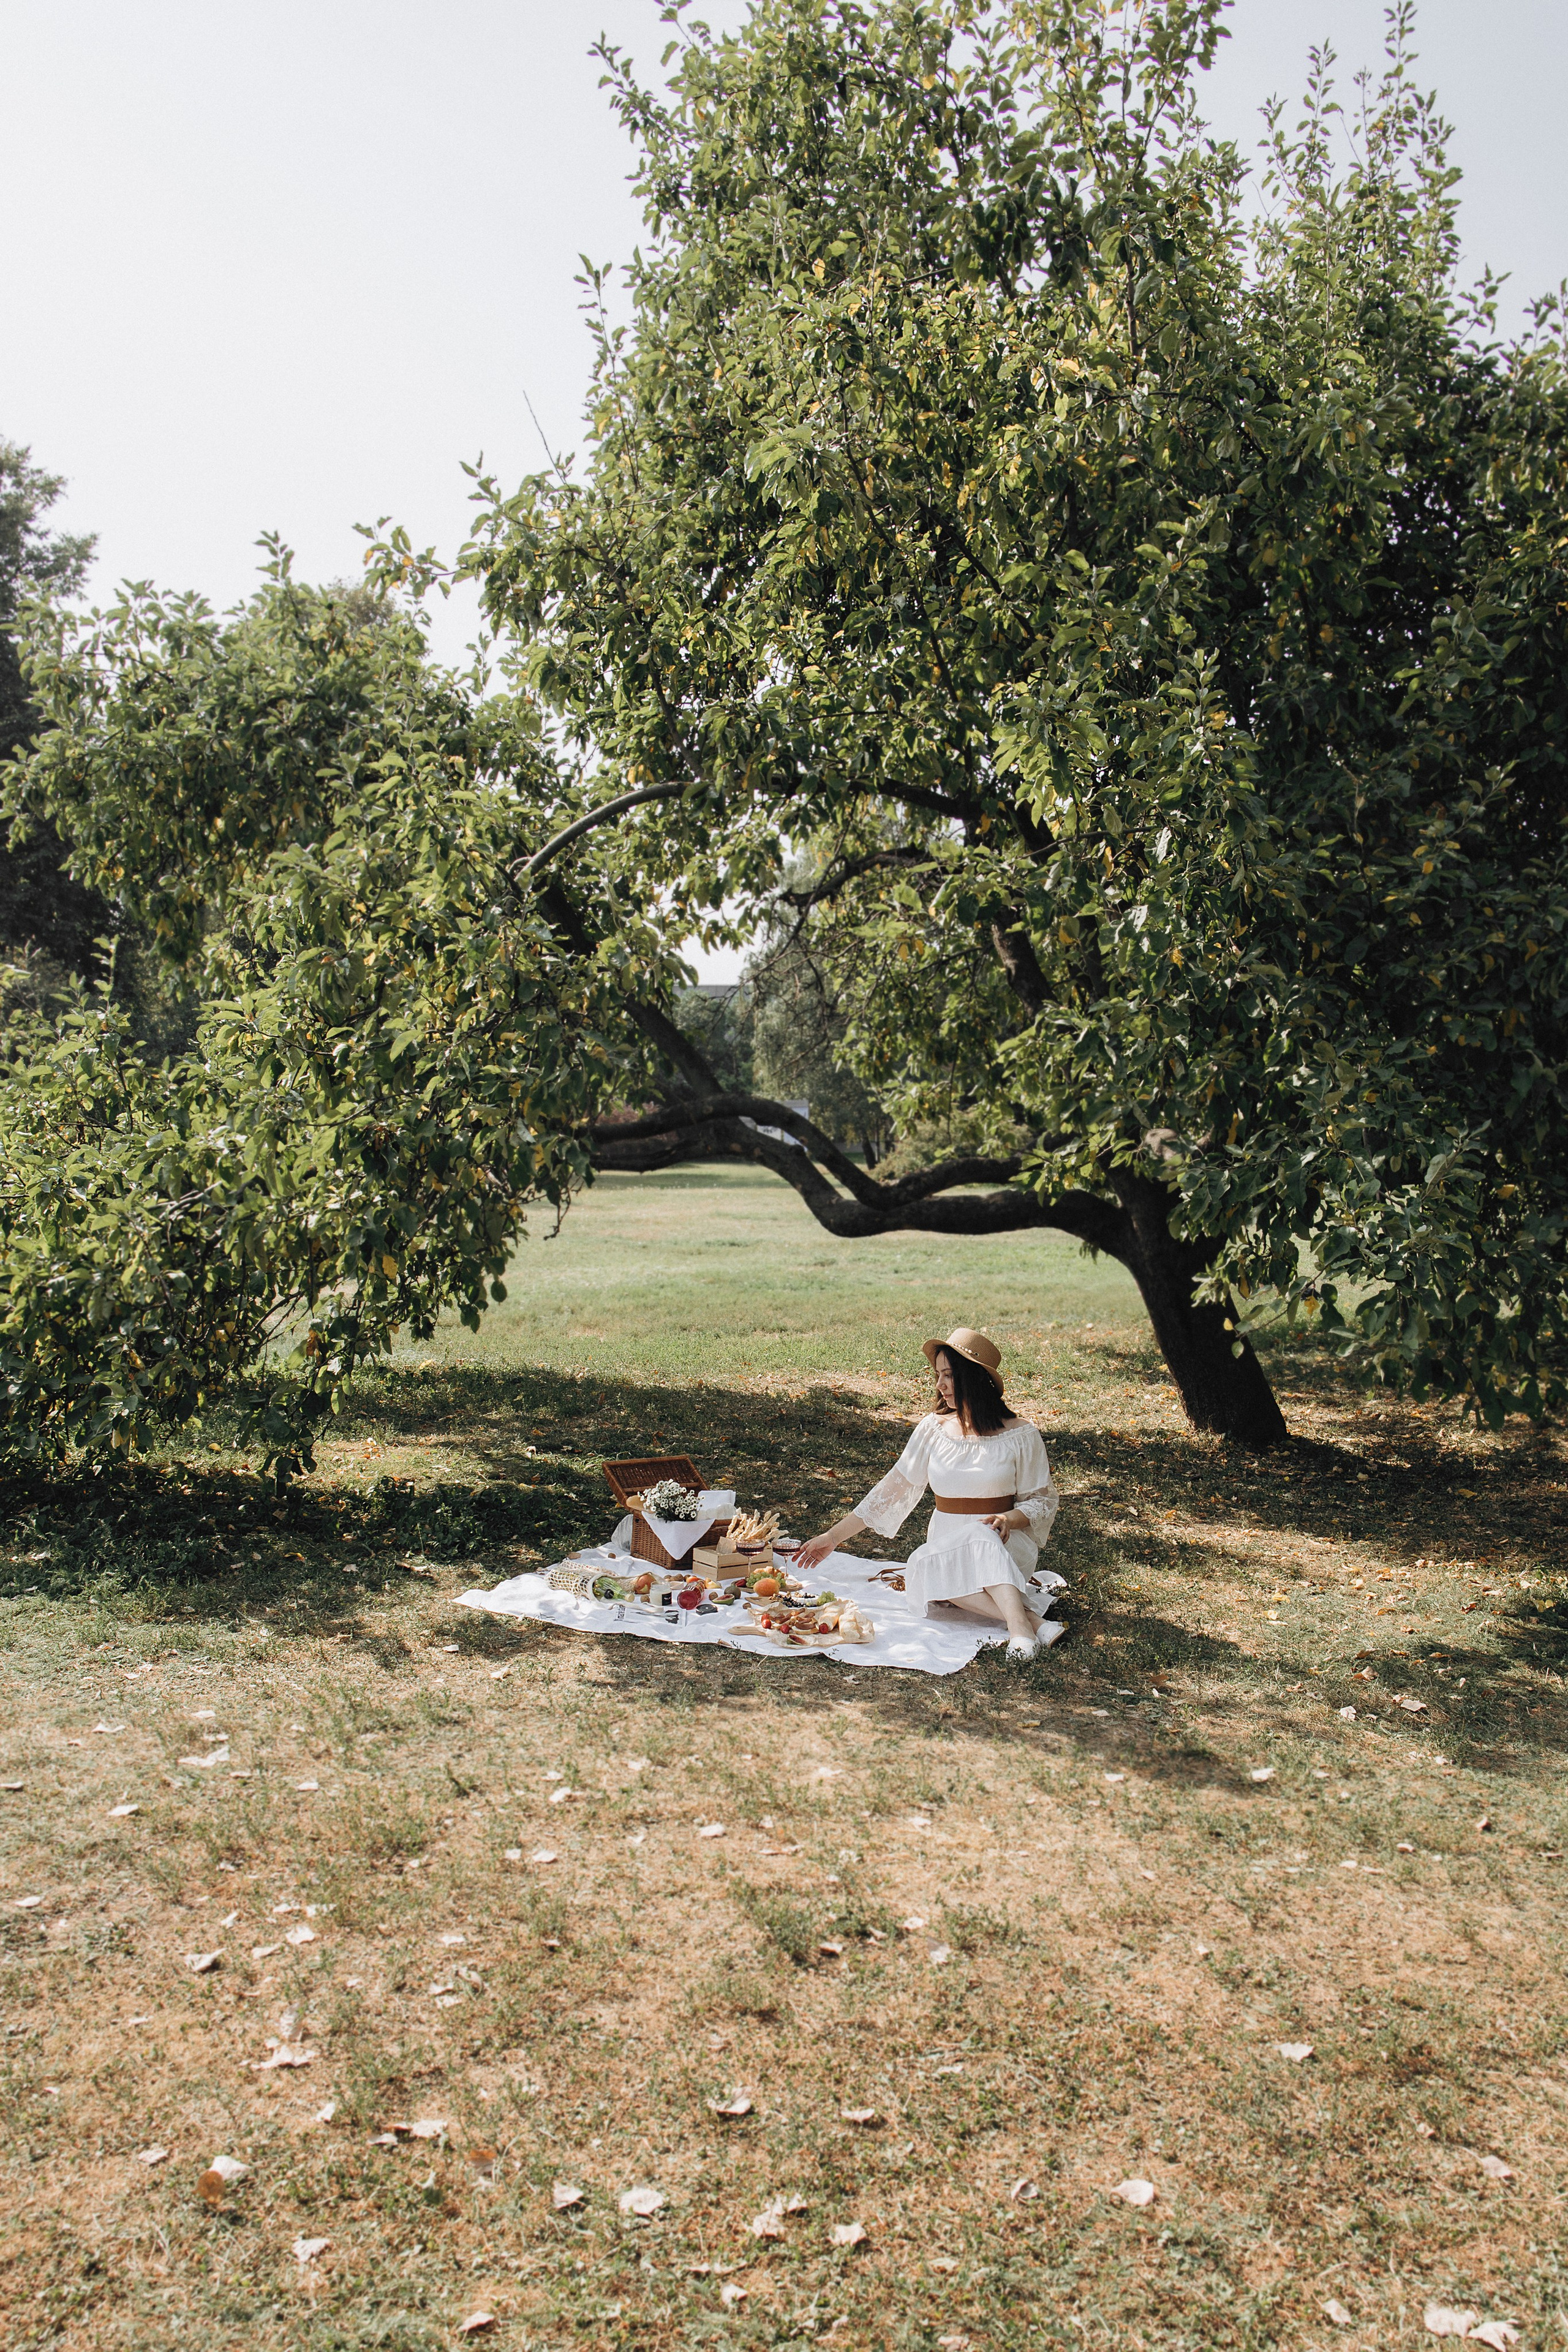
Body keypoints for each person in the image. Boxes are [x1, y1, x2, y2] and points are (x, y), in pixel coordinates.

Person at [794, 1327, 1061, 1659]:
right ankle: (1034, 1623)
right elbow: (893, 1490)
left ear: (975, 1379)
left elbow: (1042, 1501)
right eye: (938, 1375)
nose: (940, 1386)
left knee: (980, 1536)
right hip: (946, 1546)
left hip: (1004, 1547)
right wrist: (833, 1538)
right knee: (920, 1568)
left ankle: (1020, 1631)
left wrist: (1008, 1518)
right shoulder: (933, 1429)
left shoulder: (1021, 1435)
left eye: (949, 1375)